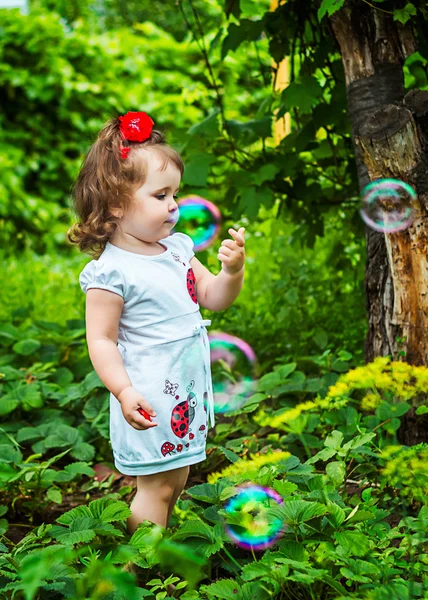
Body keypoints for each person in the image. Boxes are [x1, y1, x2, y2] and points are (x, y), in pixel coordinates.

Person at [67, 111, 246, 582]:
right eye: (160, 195)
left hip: (183, 392)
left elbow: (213, 299)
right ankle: (137, 571)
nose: (173, 206)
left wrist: (231, 272)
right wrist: (124, 392)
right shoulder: (112, 272)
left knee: (177, 480)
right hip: (148, 396)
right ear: (115, 206)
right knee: (157, 488)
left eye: (175, 195)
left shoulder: (179, 249)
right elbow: (101, 340)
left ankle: (156, 557)